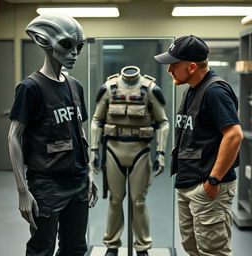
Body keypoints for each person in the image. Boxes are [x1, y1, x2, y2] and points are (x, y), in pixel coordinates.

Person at [8, 13, 98, 256]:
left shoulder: (75, 85)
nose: (74, 53)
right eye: (67, 45)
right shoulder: (31, 87)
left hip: (78, 182)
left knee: (75, 248)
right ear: (44, 41)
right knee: (42, 249)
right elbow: (14, 136)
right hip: (47, 184)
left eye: (78, 47)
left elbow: (79, 131)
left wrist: (88, 171)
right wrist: (22, 190)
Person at [154, 35, 243, 256]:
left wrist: (214, 179)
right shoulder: (192, 89)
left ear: (192, 67)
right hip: (188, 182)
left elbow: (234, 135)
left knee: (213, 251)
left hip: (208, 185)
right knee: (192, 247)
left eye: (174, 65)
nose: (169, 70)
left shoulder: (215, 91)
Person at [89, 66, 169, 256]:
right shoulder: (109, 88)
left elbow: (163, 122)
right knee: (115, 201)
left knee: (139, 202)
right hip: (113, 151)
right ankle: (112, 245)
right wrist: (94, 150)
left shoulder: (150, 89)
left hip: (140, 152)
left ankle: (142, 247)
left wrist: (161, 152)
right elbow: (96, 120)